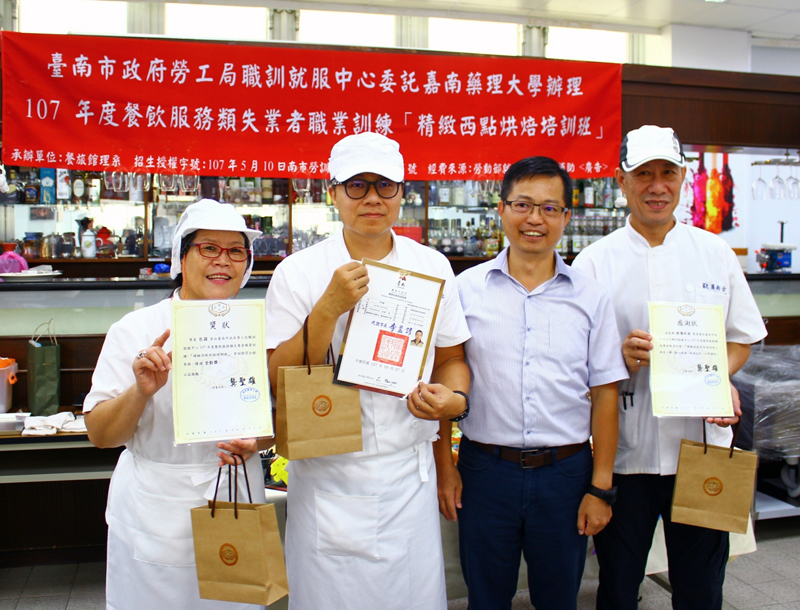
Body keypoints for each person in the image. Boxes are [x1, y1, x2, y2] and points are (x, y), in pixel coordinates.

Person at [265, 132, 471, 610]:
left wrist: (454, 407)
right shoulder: (300, 272)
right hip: (327, 475)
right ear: (332, 192)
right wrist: (328, 310)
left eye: (386, 185)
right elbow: (278, 377)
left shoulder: (431, 266)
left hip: (407, 477)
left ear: (403, 193)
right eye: (357, 186)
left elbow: (451, 360)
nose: (372, 198)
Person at [572, 125, 768, 610]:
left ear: (683, 178)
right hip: (624, 455)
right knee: (618, 587)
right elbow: (574, 360)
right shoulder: (593, 263)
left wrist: (718, 376)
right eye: (643, 174)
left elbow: (740, 338)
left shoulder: (714, 253)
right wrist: (618, 357)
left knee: (701, 588)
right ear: (621, 182)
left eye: (667, 173)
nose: (656, 186)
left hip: (702, 449)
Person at [440, 156, 628, 610]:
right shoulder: (465, 290)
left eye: (549, 208)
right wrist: (445, 465)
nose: (534, 219)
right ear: (501, 210)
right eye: (523, 204)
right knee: (485, 598)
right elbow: (443, 375)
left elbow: (605, 392)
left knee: (559, 597)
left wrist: (600, 487)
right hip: (485, 472)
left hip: (566, 474)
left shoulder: (591, 296)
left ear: (566, 217)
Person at [84, 199, 272, 610]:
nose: (223, 261)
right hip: (158, 507)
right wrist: (141, 391)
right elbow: (100, 434)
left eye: (236, 251)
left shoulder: (258, 331)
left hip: (233, 496)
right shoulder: (135, 329)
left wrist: (256, 441)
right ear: (181, 258)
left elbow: (276, 421)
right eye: (209, 248)